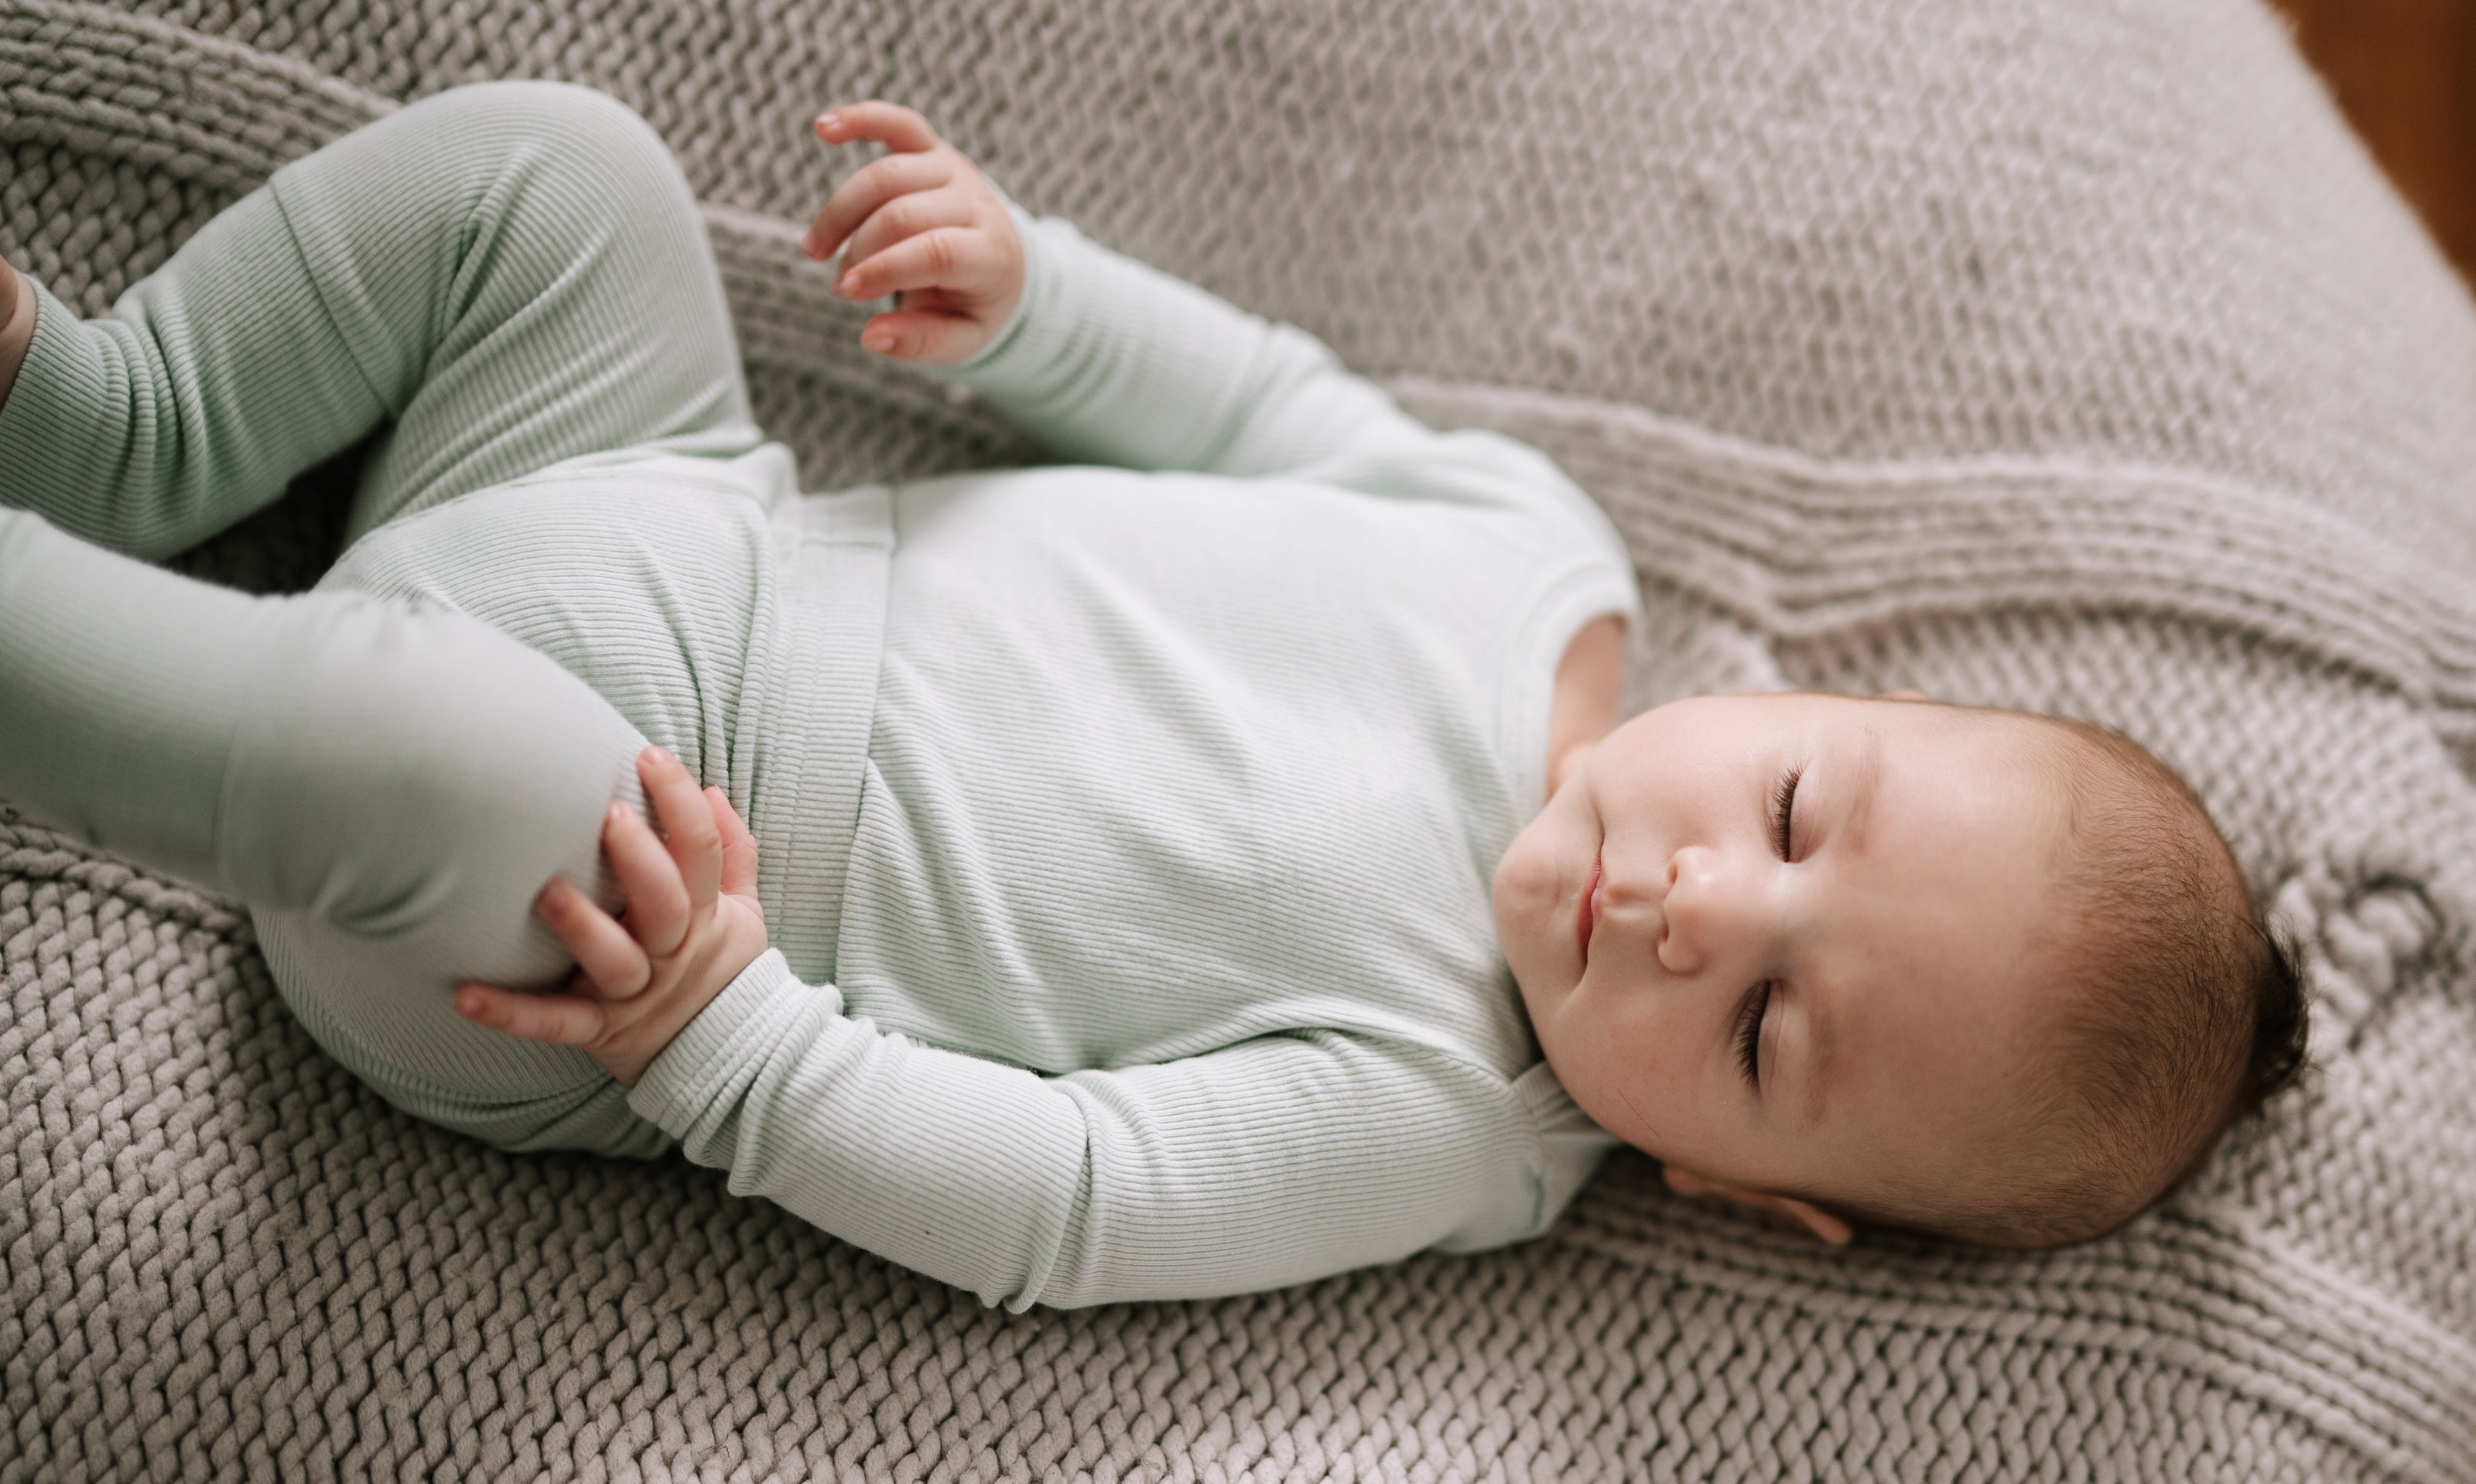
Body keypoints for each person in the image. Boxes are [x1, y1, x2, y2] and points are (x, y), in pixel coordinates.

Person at [0, 81, 2304, 1311]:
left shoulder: (1449, 1118)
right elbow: (1265, 410)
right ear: (1810, 693)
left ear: (1735, 1190)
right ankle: (113, 433)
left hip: (610, 887)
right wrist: (1031, 309)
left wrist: (728, 1043)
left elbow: (1077, 1204)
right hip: (675, 493)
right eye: (1798, 821)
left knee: (395, 741)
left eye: (1772, 1036)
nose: (1704, 911)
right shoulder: (1528, 551)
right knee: (559, 177)